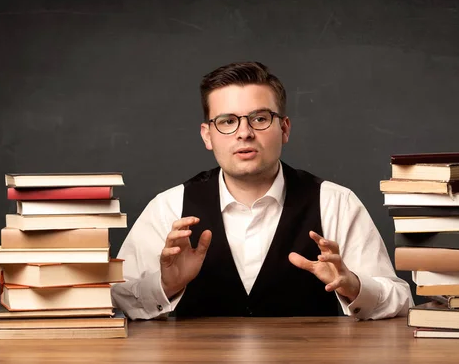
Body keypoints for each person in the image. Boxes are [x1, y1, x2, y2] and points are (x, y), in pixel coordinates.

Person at [111, 61, 413, 320]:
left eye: (259, 118)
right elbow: (117, 299)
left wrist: (354, 287)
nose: (244, 133)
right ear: (207, 135)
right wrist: (167, 285)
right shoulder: (169, 207)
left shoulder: (335, 202)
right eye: (227, 121)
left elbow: (401, 301)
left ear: (284, 128)